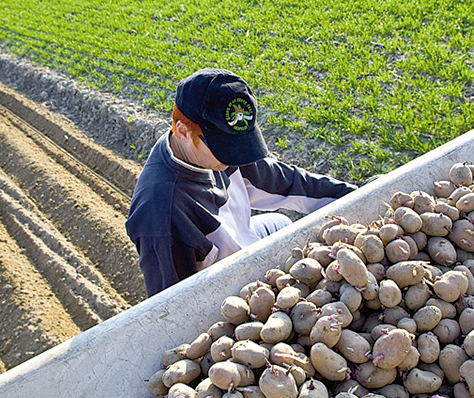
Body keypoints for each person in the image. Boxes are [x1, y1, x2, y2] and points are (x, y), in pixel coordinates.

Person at [126, 68, 356, 297]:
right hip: (226, 284)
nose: (235, 158)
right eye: (226, 149)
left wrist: (357, 196)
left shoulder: (205, 149)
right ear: (183, 131)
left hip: (240, 238)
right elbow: (172, 306)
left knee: (280, 223)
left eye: (239, 145)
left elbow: (283, 181)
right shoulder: (161, 214)